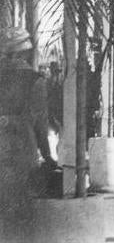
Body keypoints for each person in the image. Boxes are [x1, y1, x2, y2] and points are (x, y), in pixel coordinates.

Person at [0, 29, 56, 240]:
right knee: (23, 209)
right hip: (23, 149)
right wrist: (47, 155)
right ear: (26, 53)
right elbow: (40, 123)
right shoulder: (35, 81)